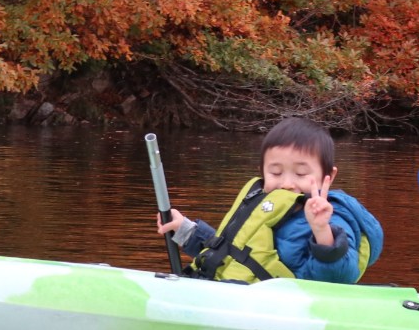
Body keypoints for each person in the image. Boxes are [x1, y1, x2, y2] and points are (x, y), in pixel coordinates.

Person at [157, 117, 383, 284]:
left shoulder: (331, 218)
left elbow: (338, 278)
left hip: (279, 312)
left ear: (328, 177)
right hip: (230, 295)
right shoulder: (268, 205)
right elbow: (237, 255)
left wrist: (321, 230)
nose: (286, 183)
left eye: (301, 174)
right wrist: (187, 231)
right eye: (275, 173)